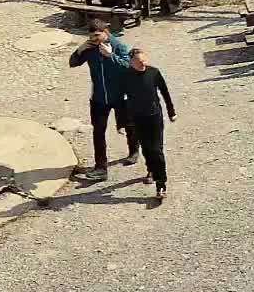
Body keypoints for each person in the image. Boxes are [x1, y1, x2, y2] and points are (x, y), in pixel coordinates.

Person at [69, 26, 136, 177]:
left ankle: (134, 151)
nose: (93, 39)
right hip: (98, 98)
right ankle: (101, 167)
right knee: (98, 132)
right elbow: (73, 63)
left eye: (96, 36)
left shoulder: (119, 46)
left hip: (120, 96)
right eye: (91, 36)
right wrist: (80, 49)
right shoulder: (89, 48)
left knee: (129, 125)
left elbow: (129, 68)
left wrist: (110, 55)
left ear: (105, 33)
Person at [119, 46, 177, 200]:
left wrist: (171, 111)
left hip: (155, 116)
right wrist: (121, 122)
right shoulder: (126, 77)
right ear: (131, 63)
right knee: (146, 148)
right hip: (138, 118)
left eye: (144, 60)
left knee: (157, 150)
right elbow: (122, 101)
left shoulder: (154, 72)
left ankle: (161, 184)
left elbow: (165, 92)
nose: (142, 64)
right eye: (139, 62)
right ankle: (151, 169)